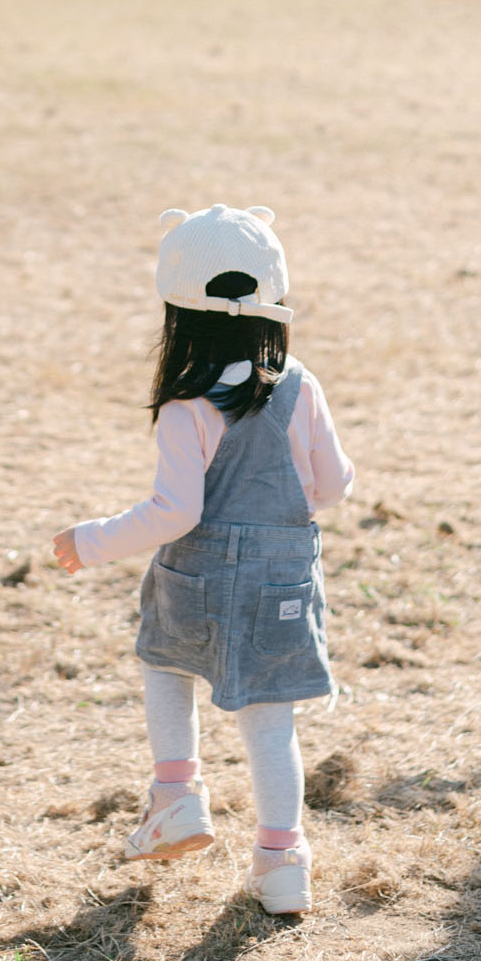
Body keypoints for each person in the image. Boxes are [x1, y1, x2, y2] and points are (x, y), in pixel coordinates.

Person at [52, 204, 352, 916]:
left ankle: (177, 795)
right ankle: (282, 862)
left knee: (166, 662)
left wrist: (89, 539)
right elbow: (335, 485)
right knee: (271, 718)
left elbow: (175, 512)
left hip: (198, 571)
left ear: (178, 314)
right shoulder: (300, 384)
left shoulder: (188, 404)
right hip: (280, 574)